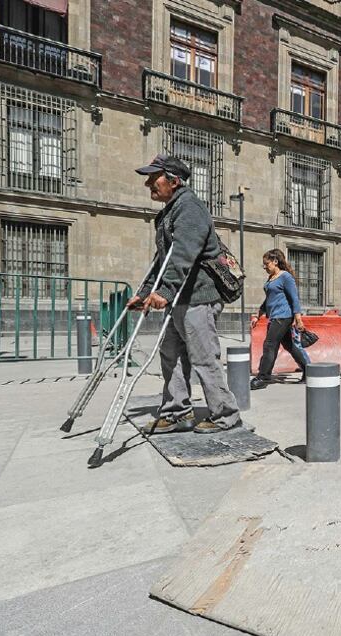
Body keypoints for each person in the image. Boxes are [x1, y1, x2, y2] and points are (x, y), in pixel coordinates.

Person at [128, 154, 241, 434]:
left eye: (154, 178)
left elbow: (183, 254)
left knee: (204, 357)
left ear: (174, 181)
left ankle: (226, 414)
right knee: (170, 354)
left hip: (198, 298)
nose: (148, 184)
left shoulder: (189, 208)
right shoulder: (169, 211)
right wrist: (145, 293)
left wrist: (165, 290)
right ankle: (178, 411)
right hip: (180, 297)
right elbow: (161, 260)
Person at [250, 249, 310, 389]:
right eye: (263, 264)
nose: (264, 267)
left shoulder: (285, 277)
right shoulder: (271, 278)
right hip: (275, 316)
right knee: (289, 345)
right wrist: (257, 315)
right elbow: (268, 301)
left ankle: (263, 378)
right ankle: (308, 370)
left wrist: (298, 319)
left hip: (283, 316)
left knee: (269, 345)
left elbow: (294, 299)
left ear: (275, 262)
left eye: (266, 263)